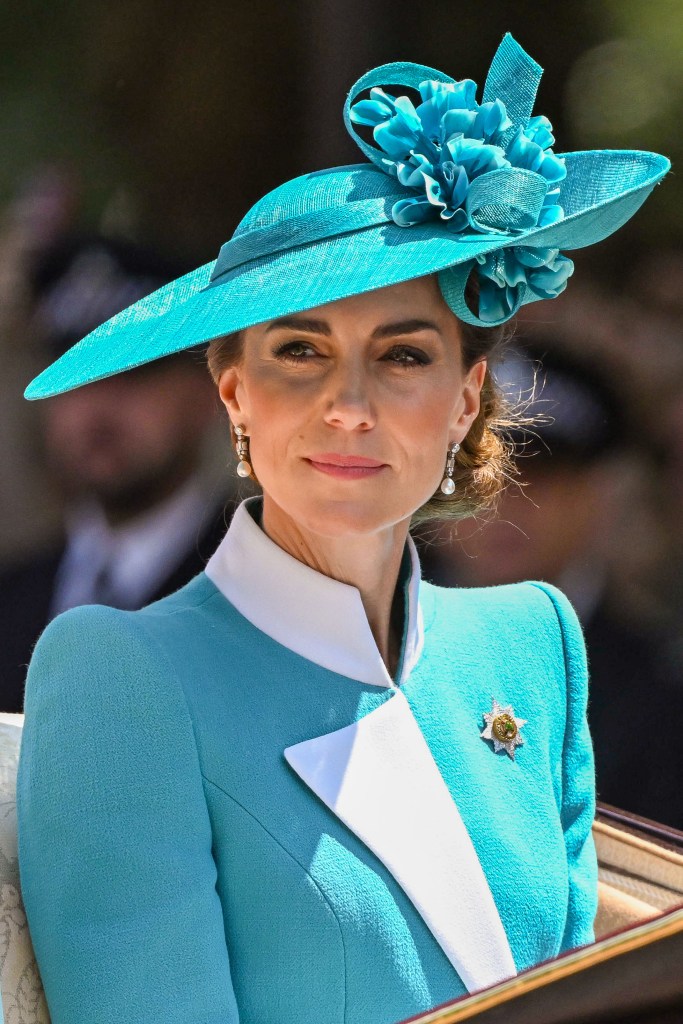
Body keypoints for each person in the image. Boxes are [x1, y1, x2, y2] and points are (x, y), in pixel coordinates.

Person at [16, 35, 669, 1024]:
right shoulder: (124, 672)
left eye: (403, 355)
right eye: (298, 352)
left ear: (463, 401)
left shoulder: (532, 640)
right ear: (233, 394)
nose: (348, 405)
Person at [418, 340, 683, 829]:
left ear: (602, 490)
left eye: (537, 473)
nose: (499, 502)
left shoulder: (661, 697)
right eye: (473, 469)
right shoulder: (366, 635)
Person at [0, 234, 233, 710]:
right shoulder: (10, 596)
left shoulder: (262, 590)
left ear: (206, 393)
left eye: (137, 373)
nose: (97, 408)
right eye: (72, 376)